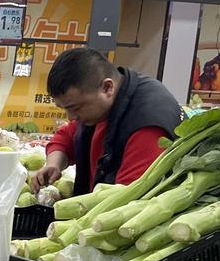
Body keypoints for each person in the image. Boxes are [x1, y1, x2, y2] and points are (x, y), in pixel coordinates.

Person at [33, 48, 182, 194]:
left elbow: (126, 197)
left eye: (75, 108)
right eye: (64, 109)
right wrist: (54, 165)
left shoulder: (148, 124)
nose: (71, 117)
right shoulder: (105, 103)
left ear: (107, 87)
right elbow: (67, 136)